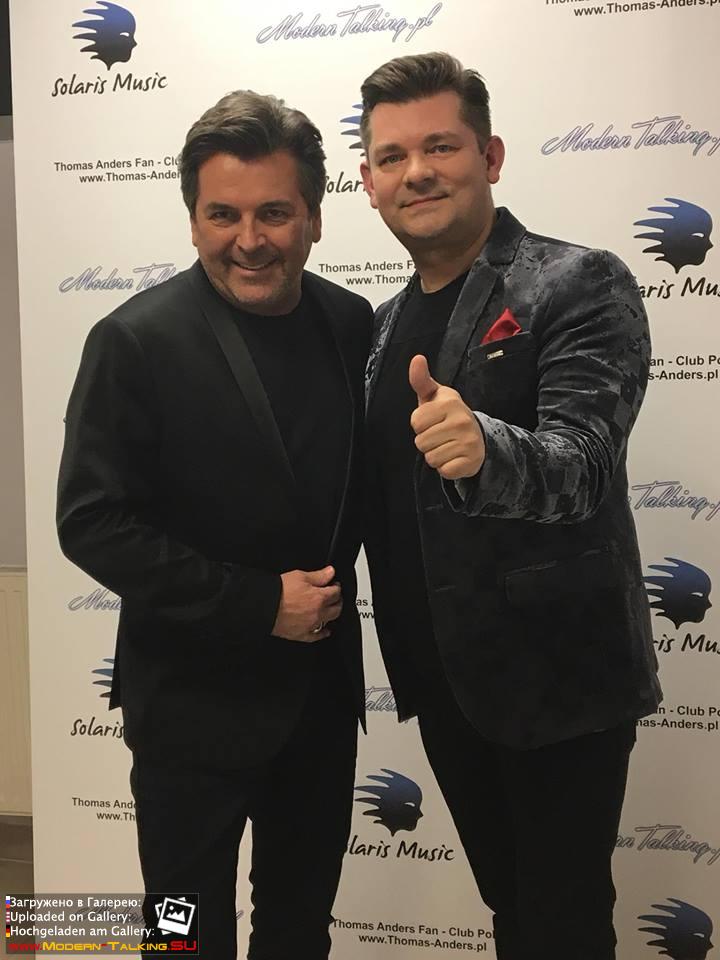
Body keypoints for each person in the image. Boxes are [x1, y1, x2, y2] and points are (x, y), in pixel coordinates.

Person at [359, 51, 662, 960]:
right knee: (510, 911)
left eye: (440, 146)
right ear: (368, 184)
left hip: (559, 677)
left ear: (489, 156)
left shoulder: (579, 281)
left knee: (564, 926)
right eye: (391, 157)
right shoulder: (381, 327)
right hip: (443, 678)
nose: (417, 172)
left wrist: (488, 449)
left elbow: (585, 463)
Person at [57, 89, 372, 960]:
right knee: (180, 936)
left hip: (318, 702)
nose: (249, 239)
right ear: (193, 220)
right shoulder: (133, 340)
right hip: (187, 708)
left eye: (274, 212)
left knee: (300, 929)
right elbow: (91, 521)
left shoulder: (351, 323)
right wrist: (256, 604)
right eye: (222, 214)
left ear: (314, 217)